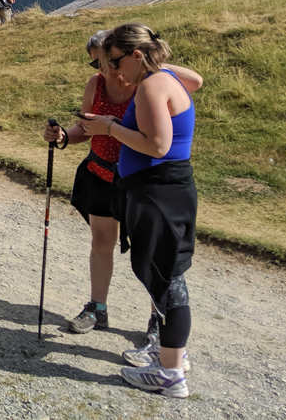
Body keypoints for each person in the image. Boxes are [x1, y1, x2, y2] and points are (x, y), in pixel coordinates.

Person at [43, 33, 202, 340]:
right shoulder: (96, 84)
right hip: (101, 173)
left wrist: (150, 60)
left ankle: (158, 318)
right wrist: (64, 136)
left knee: (151, 253)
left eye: (106, 59)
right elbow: (85, 128)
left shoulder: (148, 81)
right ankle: (97, 307)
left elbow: (194, 80)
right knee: (102, 243)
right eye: (95, 61)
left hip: (140, 183)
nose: (101, 66)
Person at [79, 24, 200, 399]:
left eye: (115, 60)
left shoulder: (150, 85)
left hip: (157, 190)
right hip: (164, 189)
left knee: (164, 276)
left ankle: (170, 372)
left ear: (135, 55)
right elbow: (194, 81)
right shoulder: (163, 77)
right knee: (165, 273)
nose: (114, 71)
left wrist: (110, 128)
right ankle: (169, 353)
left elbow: (158, 145)